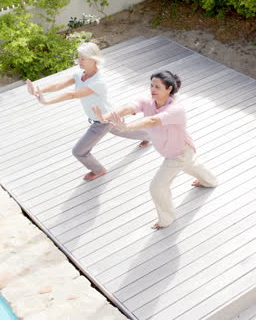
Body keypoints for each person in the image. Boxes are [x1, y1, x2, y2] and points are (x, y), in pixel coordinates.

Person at [93, 70, 217, 229]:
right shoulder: (148, 101)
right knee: (191, 165)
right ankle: (210, 181)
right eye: (151, 85)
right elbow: (129, 107)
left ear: (169, 89)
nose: (152, 89)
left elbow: (152, 121)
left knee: (157, 187)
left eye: (157, 87)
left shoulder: (175, 109)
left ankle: (167, 219)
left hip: (179, 153)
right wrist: (106, 116)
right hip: (177, 151)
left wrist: (127, 127)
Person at [26, 42, 149, 181]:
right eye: (79, 57)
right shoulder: (80, 74)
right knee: (124, 131)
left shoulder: (98, 82)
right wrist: (38, 90)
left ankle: (99, 170)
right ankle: (150, 135)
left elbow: (72, 94)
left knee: (79, 151)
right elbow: (60, 84)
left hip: (103, 121)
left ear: (94, 60)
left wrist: (47, 101)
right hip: (108, 118)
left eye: (83, 58)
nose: (79, 61)